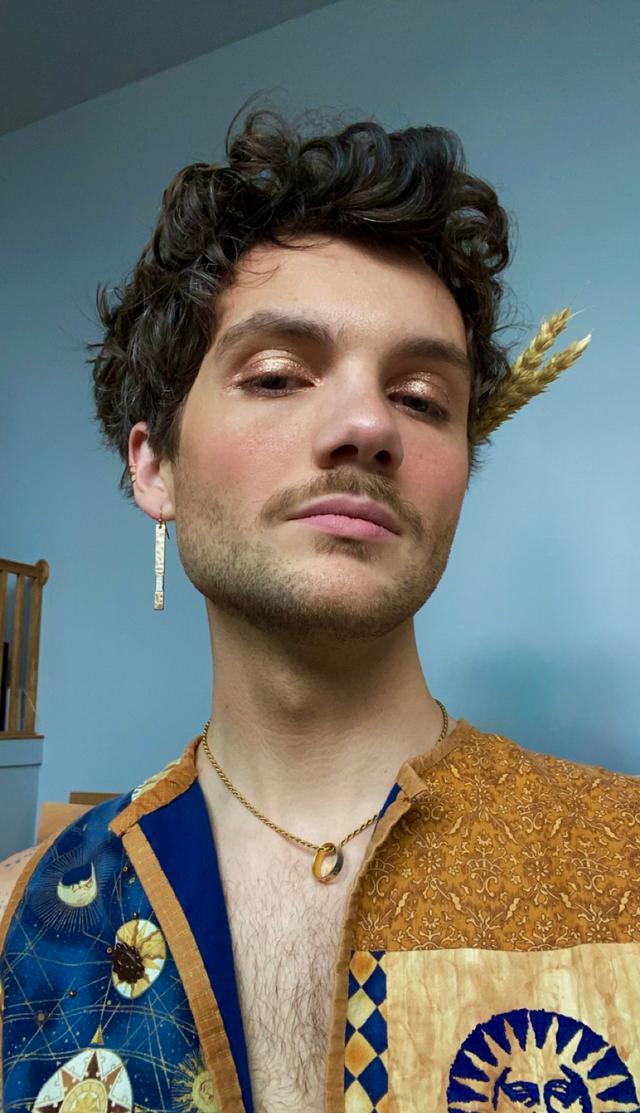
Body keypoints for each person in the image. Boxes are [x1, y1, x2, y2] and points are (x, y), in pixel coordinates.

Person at [1, 102, 634, 1113]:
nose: (367, 423)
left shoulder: (627, 869)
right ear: (152, 464)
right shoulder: (13, 927)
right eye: (280, 375)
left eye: (424, 398)